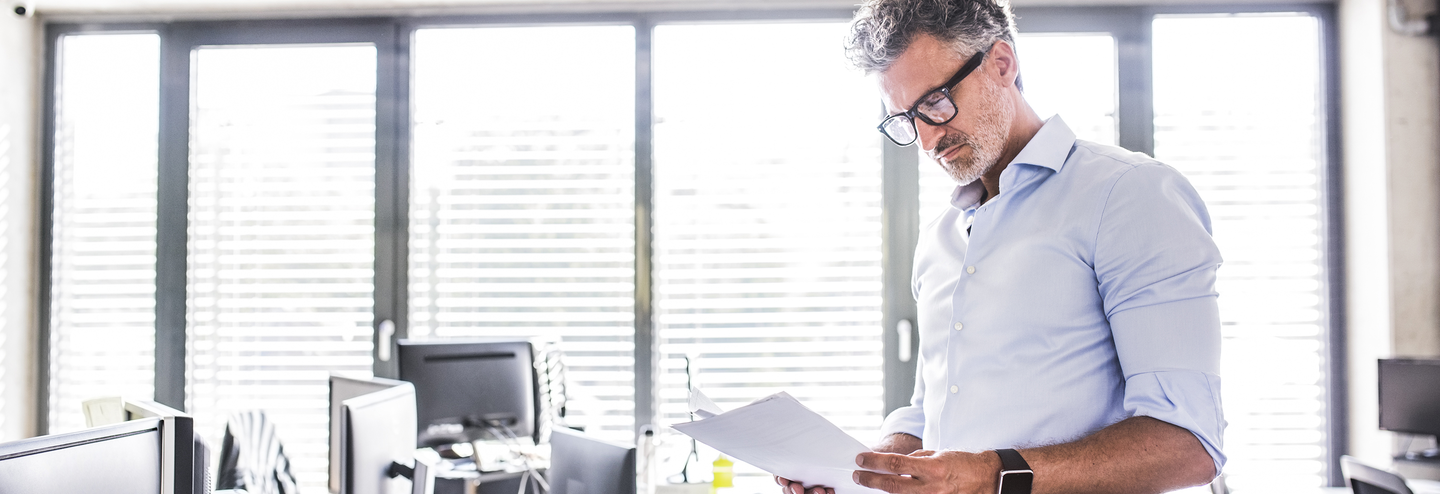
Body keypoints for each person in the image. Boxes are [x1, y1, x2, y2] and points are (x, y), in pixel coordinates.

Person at [775, 0, 1226, 493]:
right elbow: (933, 409)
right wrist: (873, 467)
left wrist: (991, 475)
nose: (928, 139)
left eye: (935, 102)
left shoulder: (1129, 195)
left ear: (1002, 64)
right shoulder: (940, 238)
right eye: (907, 120)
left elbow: (1188, 443)